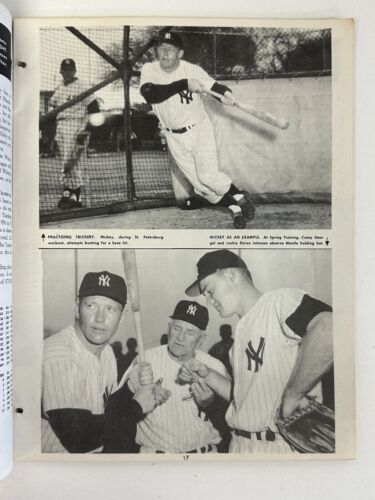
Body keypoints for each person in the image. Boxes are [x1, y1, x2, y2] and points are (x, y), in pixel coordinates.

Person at [181, 250, 333, 453]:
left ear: (230, 275)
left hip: (279, 445)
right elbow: (245, 400)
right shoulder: (239, 336)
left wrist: (293, 394)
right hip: (241, 445)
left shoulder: (277, 302)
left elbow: (329, 326)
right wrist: (207, 374)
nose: (208, 300)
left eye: (209, 290)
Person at [42, 270, 169, 453]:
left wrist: (130, 388)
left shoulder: (107, 352)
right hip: (54, 467)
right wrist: (137, 406)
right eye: (91, 306)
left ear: (122, 316)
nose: (100, 318)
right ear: (77, 308)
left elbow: (108, 412)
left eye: (111, 309)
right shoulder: (59, 355)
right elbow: (78, 438)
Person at [140, 31, 255, 229]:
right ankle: (236, 209)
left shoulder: (192, 69)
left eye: (170, 49)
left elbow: (215, 87)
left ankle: (241, 198)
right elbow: (150, 94)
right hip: (173, 136)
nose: (164, 53)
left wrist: (226, 94)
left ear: (180, 53)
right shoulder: (150, 69)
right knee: (202, 190)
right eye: (161, 49)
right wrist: (183, 84)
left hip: (199, 129)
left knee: (208, 176)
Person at [131, 300, 230, 453]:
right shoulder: (144, 360)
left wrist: (212, 405)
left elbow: (233, 418)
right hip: (156, 460)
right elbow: (120, 414)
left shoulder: (214, 366)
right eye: (177, 328)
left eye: (190, 332)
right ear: (169, 328)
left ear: (201, 339)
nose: (180, 338)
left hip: (203, 457)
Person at [49, 58, 100, 210]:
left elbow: (95, 109)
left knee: (71, 164)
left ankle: (75, 199)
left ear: (75, 71)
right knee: (65, 164)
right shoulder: (59, 89)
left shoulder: (83, 86)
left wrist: (87, 130)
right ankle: (68, 197)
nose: (68, 72)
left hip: (77, 126)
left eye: (71, 69)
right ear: (61, 72)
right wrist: (53, 135)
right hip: (61, 126)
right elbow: (52, 113)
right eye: (65, 70)